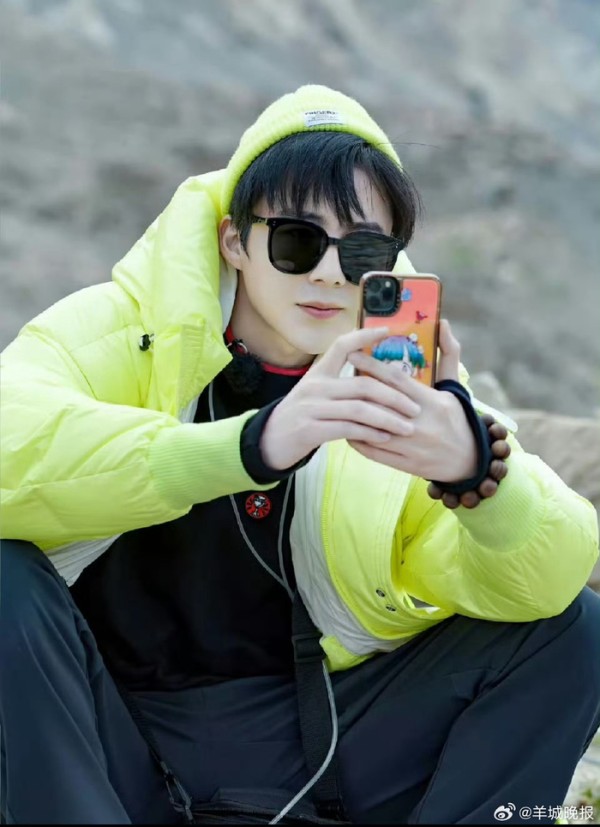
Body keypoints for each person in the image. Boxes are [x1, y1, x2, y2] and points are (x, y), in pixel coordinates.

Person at [1, 84, 599, 826]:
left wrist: (478, 478)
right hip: (93, 734)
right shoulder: (119, 330)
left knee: (571, 631)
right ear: (234, 241)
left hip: (307, 743)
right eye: (296, 240)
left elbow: (547, 579)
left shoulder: (393, 389)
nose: (328, 273)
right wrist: (249, 446)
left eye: (362, 250)